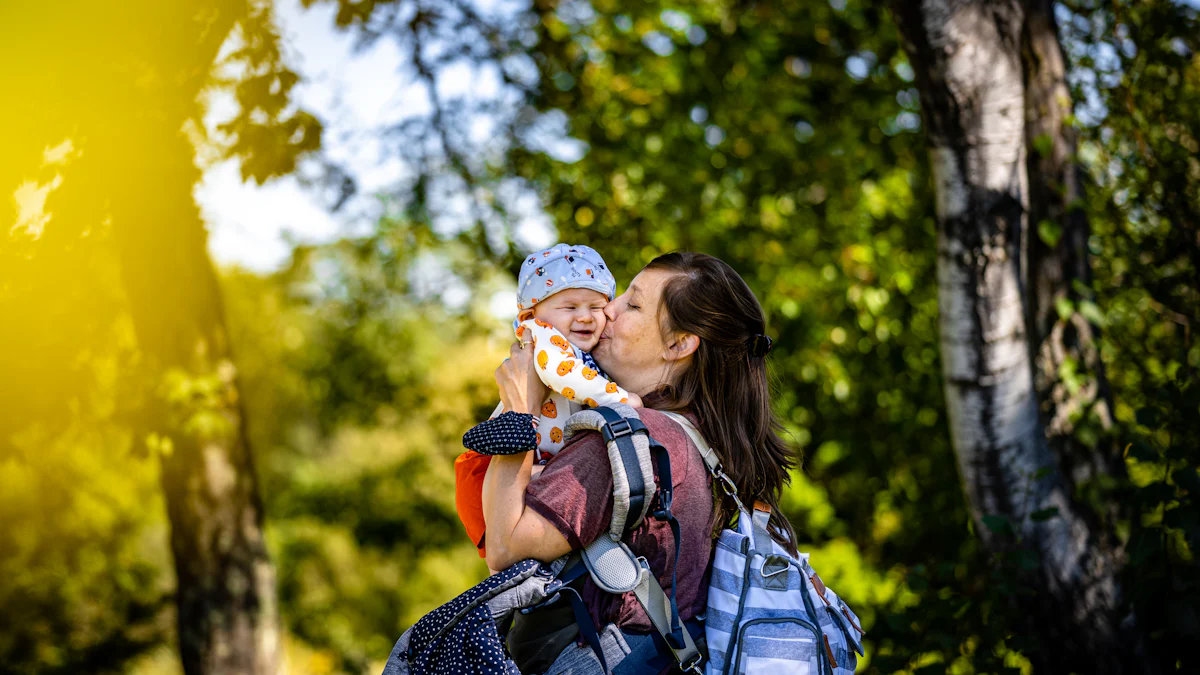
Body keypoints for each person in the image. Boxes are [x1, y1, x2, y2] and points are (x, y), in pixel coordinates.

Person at [479, 251, 800, 673]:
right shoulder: (705, 442)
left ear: (679, 343)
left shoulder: (623, 442)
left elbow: (504, 547)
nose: (606, 310)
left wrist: (519, 414)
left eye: (631, 304)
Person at [455, 243, 642, 560]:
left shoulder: (579, 349)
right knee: (511, 535)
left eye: (596, 307)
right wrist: (624, 399)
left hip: (534, 463)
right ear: (532, 313)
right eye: (570, 307)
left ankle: (529, 583)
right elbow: (563, 375)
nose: (584, 317)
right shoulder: (542, 336)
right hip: (492, 467)